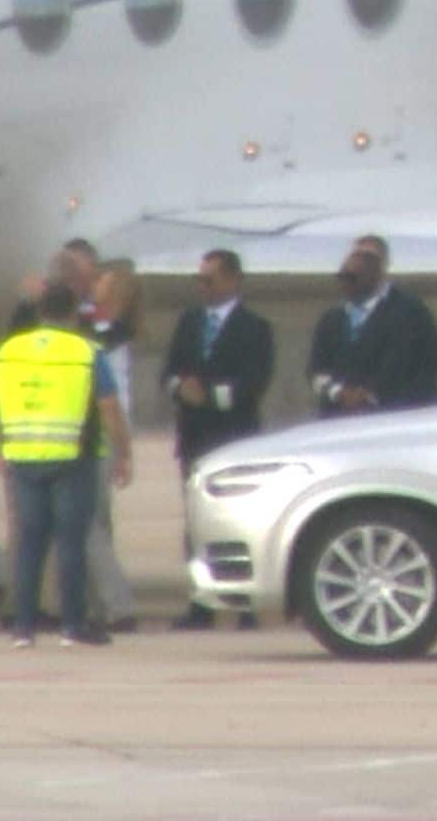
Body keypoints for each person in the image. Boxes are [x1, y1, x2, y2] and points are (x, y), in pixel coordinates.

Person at [0, 281, 133, 648]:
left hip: (24, 456)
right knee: (71, 541)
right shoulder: (86, 351)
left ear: (39, 311)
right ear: (73, 313)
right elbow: (109, 408)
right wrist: (124, 452)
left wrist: (1, 448)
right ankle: (72, 624)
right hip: (73, 457)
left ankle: (22, 627)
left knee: (30, 542)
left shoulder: (9, 351)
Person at [162, 249, 274, 630]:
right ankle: (201, 604)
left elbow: (253, 384)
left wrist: (207, 395)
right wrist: (181, 388)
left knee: (239, 522)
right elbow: (170, 371)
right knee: (195, 525)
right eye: (200, 279)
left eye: (210, 279)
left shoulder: (255, 328)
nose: (203, 287)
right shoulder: (190, 322)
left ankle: (246, 606)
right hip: (194, 437)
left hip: (234, 437)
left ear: (232, 280)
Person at [307, 239, 437, 416]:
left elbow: (427, 364)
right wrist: (338, 393)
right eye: (343, 277)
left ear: (379, 271)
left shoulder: (409, 313)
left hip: (397, 417)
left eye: (354, 277)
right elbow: (316, 370)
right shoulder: (331, 320)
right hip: (338, 421)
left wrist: (370, 395)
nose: (345, 283)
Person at [85, 258, 142, 632]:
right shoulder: (112, 332)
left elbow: (110, 401)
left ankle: (117, 604)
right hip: (107, 432)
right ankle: (99, 606)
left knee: (90, 526)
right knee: (99, 522)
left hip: (102, 434)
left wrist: (124, 450)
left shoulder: (108, 334)